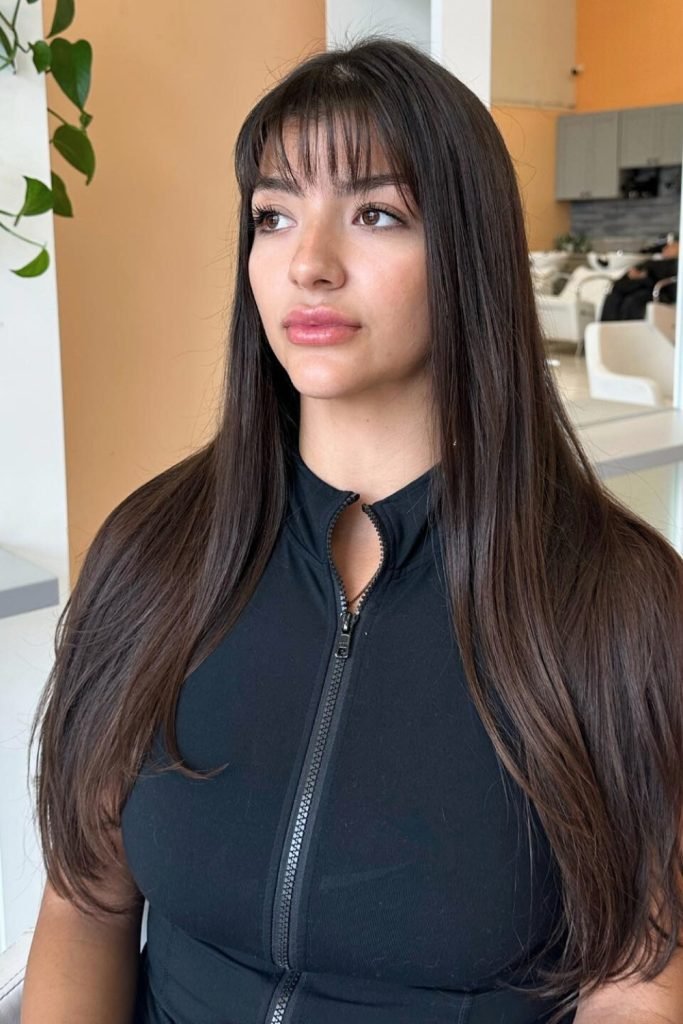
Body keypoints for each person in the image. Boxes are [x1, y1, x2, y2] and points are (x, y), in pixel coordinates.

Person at [21, 34, 683, 1024]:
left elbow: (636, 982)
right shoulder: (154, 552)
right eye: (273, 215)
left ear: (467, 251)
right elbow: (85, 903)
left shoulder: (617, 602)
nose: (308, 264)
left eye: (376, 214)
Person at [600, 239, 679, 321]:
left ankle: (626, 326)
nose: (665, 249)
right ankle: (605, 325)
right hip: (641, 284)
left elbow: (665, 283)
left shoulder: (676, 266)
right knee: (614, 296)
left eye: (672, 247)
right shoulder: (655, 261)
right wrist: (632, 275)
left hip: (658, 290)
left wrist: (643, 277)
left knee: (632, 300)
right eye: (667, 246)